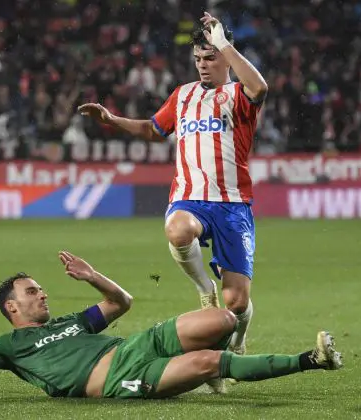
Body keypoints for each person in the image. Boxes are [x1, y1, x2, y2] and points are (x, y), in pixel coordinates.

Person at [78, 12, 267, 391]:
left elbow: (260, 87)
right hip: (189, 198)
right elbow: (153, 129)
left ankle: (239, 336)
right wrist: (113, 119)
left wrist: (224, 44)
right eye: (198, 58)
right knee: (177, 230)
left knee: (237, 304)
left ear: (225, 58)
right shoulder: (183, 96)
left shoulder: (238, 95)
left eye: (210, 58)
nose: (203, 65)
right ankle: (202, 289)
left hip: (232, 206)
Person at [0, 252, 342, 399]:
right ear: (12, 307)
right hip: (120, 377)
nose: (42, 294)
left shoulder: (69, 322)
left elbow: (121, 302)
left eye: (41, 289)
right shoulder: (8, 347)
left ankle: (217, 366)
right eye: (32, 292)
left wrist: (92, 276)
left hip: (139, 343)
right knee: (209, 362)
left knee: (224, 317)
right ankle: (312, 360)